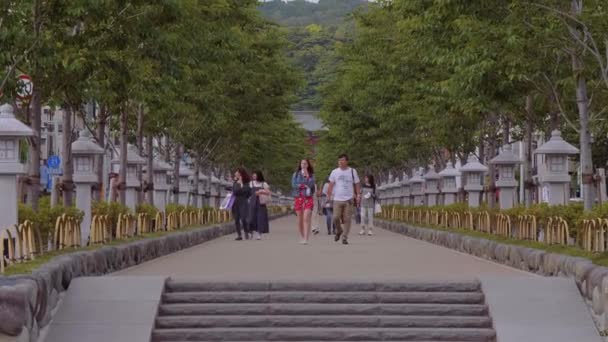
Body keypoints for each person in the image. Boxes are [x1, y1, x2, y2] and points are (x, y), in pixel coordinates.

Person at [326, 153, 361, 245]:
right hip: (337, 199)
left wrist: (358, 195)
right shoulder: (334, 172)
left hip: (349, 199)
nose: (340, 162)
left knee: (347, 219)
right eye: (339, 160)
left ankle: (344, 237)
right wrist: (328, 196)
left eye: (342, 160)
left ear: (346, 161)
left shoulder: (353, 171)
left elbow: (357, 184)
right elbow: (331, 185)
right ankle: (339, 230)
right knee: (335, 217)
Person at [291, 159, 316, 244]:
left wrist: (306, 177)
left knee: (306, 217)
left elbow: (311, 184)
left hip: (308, 198)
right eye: (302, 163)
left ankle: (306, 238)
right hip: (298, 197)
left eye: (305, 163)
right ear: (300, 164)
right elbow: (294, 185)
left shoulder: (311, 175)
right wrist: (303, 185)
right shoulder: (296, 174)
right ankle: (301, 236)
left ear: (308, 165)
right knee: (300, 219)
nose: (304, 165)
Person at [249, 170, 271, 240]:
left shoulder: (263, 184)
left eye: (255, 175)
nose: (254, 177)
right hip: (252, 202)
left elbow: (268, 192)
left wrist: (261, 191)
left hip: (261, 203)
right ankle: (251, 232)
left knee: (260, 218)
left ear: (259, 176)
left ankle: (259, 234)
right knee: (251, 218)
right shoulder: (251, 183)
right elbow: (248, 192)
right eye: (253, 175)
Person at [232, 168, 251, 240]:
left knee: (243, 218)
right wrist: (240, 188)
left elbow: (247, 192)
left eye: (236, 172)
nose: (235, 173)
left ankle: (246, 232)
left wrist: (241, 184)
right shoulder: (235, 182)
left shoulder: (246, 183)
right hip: (235, 202)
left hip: (243, 201)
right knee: (236, 219)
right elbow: (235, 192)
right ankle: (239, 235)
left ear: (240, 173)